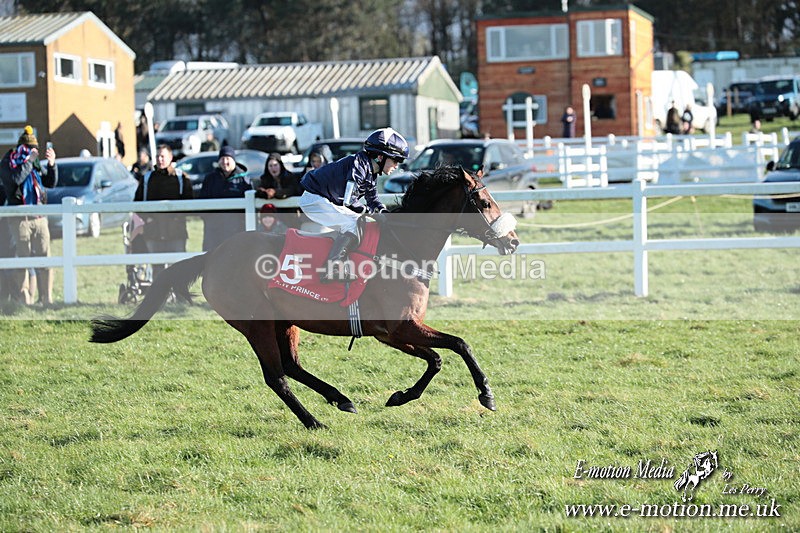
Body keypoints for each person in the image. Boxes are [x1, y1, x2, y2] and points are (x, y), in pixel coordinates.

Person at [299, 127, 408, 283]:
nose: (397, 165)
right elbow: (349, 200)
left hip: (324, 199)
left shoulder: (371, 171)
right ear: (379, 156)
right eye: (395, 160)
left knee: (359, 223)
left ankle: (345, 265)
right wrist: (372, 214)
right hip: (315, 199)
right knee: (352, 224)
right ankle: (330, 269)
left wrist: (384, 213)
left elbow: (373, 200)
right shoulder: (359, 164)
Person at [0, 126, 58, 305]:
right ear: (21, 146)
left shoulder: (33, 162)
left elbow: (50, 183)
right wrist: (28, 162)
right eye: (29, 147)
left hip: (39, 216)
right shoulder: (8, 162)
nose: (33, 151)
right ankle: (25, 299)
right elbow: (15, 180)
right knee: (22, 259)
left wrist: (52, 164)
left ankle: (46, 298)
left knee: (44, 258)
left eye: (34, 148)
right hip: (20, 218)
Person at [134, 144, 193, 279]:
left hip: (176, 231)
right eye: (158, 156)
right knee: (157, 268)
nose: (160, 159)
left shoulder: (181, 178)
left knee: (178, 266)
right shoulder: (147, 179)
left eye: (163, 156)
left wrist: (177, 218)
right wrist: (147, 219)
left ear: (170, 157)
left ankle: (180, 297)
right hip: (153, 231)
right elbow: (137, 204)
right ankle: (159, 297)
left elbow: (189, 203)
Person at [198, 146, 252, 251]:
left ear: (234, 160)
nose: (225, 162)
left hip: (236, 228)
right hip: (214, 229)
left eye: (228, 158)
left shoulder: (244, 179)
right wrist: (209, 219)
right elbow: (202, 201)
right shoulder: (210, 179)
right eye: (222, 158)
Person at [257, 153, 302, 229]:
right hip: (272, 219)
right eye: (270, 166)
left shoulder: (290, 177)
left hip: (290, 216)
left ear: (280, 165)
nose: (273, 168)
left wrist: (275, 192)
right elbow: (258, 191)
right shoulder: (265, 178)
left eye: (275, 165)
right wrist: (265, 193)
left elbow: (291, 190)